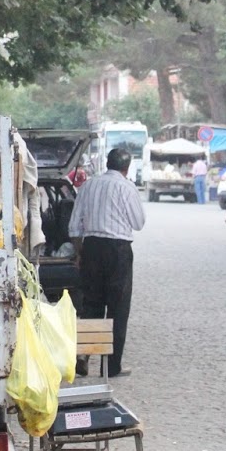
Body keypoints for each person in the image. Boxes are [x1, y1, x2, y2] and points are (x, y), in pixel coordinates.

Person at [68, 146, 146, 379]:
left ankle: (84, 356)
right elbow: (138, 222)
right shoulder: (127, 187)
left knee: (91, 304)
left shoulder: (88, 185)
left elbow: (74, 226)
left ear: (107, 163)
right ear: (126, 167)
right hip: (118, 250)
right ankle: (111, 367)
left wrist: (81, 252)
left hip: (91, 247)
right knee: (117, 308)